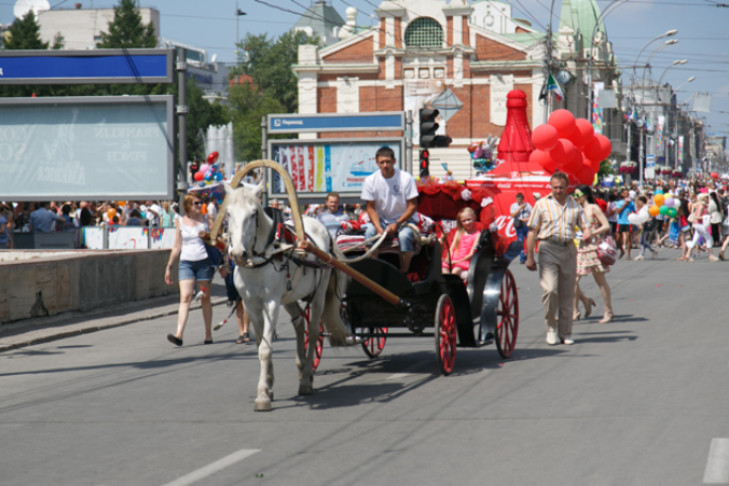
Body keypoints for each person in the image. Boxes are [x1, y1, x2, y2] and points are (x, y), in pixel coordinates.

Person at [526, 172, 591, 345]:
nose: (558, 190)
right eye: (555, 187)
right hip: (548, 247)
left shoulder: (574, 204)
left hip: (569, 248)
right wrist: (529, 256)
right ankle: (551, 327)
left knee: (567, 292)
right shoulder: (541, 204)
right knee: (550, 289)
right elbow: (532, 231)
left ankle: (566, 331)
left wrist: (586, 233)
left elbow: (584, 225)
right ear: (550, 186)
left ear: (567, 187)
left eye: (561, 187)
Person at [164, 193, 214, 346]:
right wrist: (169, 266)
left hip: (203, 262)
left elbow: (215, 240)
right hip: (186, 262)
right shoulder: (180, 221)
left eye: (200, 203)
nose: (200, 205)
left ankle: (208, 334)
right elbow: (177, 246)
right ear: (187, 206)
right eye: (196, 203)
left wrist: (207, 235)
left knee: (205, 298)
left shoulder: (206, 219)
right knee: (185, 297)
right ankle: (179, 334)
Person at [361, 146, 419, 272]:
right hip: (382, 220)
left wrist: (397, 224)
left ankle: (404, 274)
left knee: (404, 237)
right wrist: (378, 227)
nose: (385, 165)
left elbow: (412, 205)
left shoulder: (405, 178)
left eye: (388, 161)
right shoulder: (370, 180)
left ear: (394, 161)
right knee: (369, 234)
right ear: (377, 163)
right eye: (382, 162)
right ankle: (372, 273)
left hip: (404, 220)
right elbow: (370, 207)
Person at [572, 185, 614, 324]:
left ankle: (608, 310)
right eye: (574, 196)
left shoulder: (593, 208)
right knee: (573, 280)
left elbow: (606, 225)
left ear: (585, 195)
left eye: (578, 195)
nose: (576, 198)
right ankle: (578, 306)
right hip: (581, 247)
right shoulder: (577, 210)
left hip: (594, 247)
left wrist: (592, 233)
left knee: (600, 281)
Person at [441, 207, 481, 280]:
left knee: (455, 271)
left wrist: (457, 261)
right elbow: (451, 248)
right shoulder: (459, 232)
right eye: (464, 221)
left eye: (469, 220)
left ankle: (454, 289)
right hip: (453, 259)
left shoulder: (477, 234)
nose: (466, 223)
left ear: (474, 218)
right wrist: (448, 259)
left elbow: (471, 253)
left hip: (464, 261)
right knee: (443, 268)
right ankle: (447, 288)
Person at [681, 192, 718, 262]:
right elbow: (697, 216)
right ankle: (711, 255)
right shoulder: (701, 206)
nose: (708, 199)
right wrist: (706, 217)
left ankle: (688, 255)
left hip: (698, 225)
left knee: (695, 240)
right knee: (708, 238)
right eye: (706, 198)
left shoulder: (703, 206)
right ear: (703, 198)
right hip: (699, 225)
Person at [633, 195, 658, 261]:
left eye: (638, 201)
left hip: (646, 225)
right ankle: (643, 254)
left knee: (642, 240)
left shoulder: (645, 208)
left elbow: (646, 217)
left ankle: (651, 251)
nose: (638, 203)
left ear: (641, 202)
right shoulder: (643, 208)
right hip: (644, 225)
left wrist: (642, 224)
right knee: (643, 240)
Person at [510, 192, 532, 264]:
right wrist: (520, 208)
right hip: (519, 226)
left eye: (520, 199)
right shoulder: (513, 206)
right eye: (517, 199)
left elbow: (533, 213)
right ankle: (522, 258)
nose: (519, 201)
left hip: (526, 225)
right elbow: (513, 215)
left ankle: (529, 256)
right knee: (520, 241)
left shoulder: (527, 205)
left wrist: (526, 219)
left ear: (523, 199)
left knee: (529, 241)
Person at [614, 188, 635, 260]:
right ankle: (622, 250)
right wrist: (625, 205)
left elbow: (635, 211)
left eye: (628, 193)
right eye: (625, 193)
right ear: (622, 194)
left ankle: (628, 254)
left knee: (628, 237)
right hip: (620, 222)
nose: (627, 194)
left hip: (628, 222)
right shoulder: (619, 202)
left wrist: (631, 214)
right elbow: (618, 211)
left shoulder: (631, 203)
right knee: (618, 238)